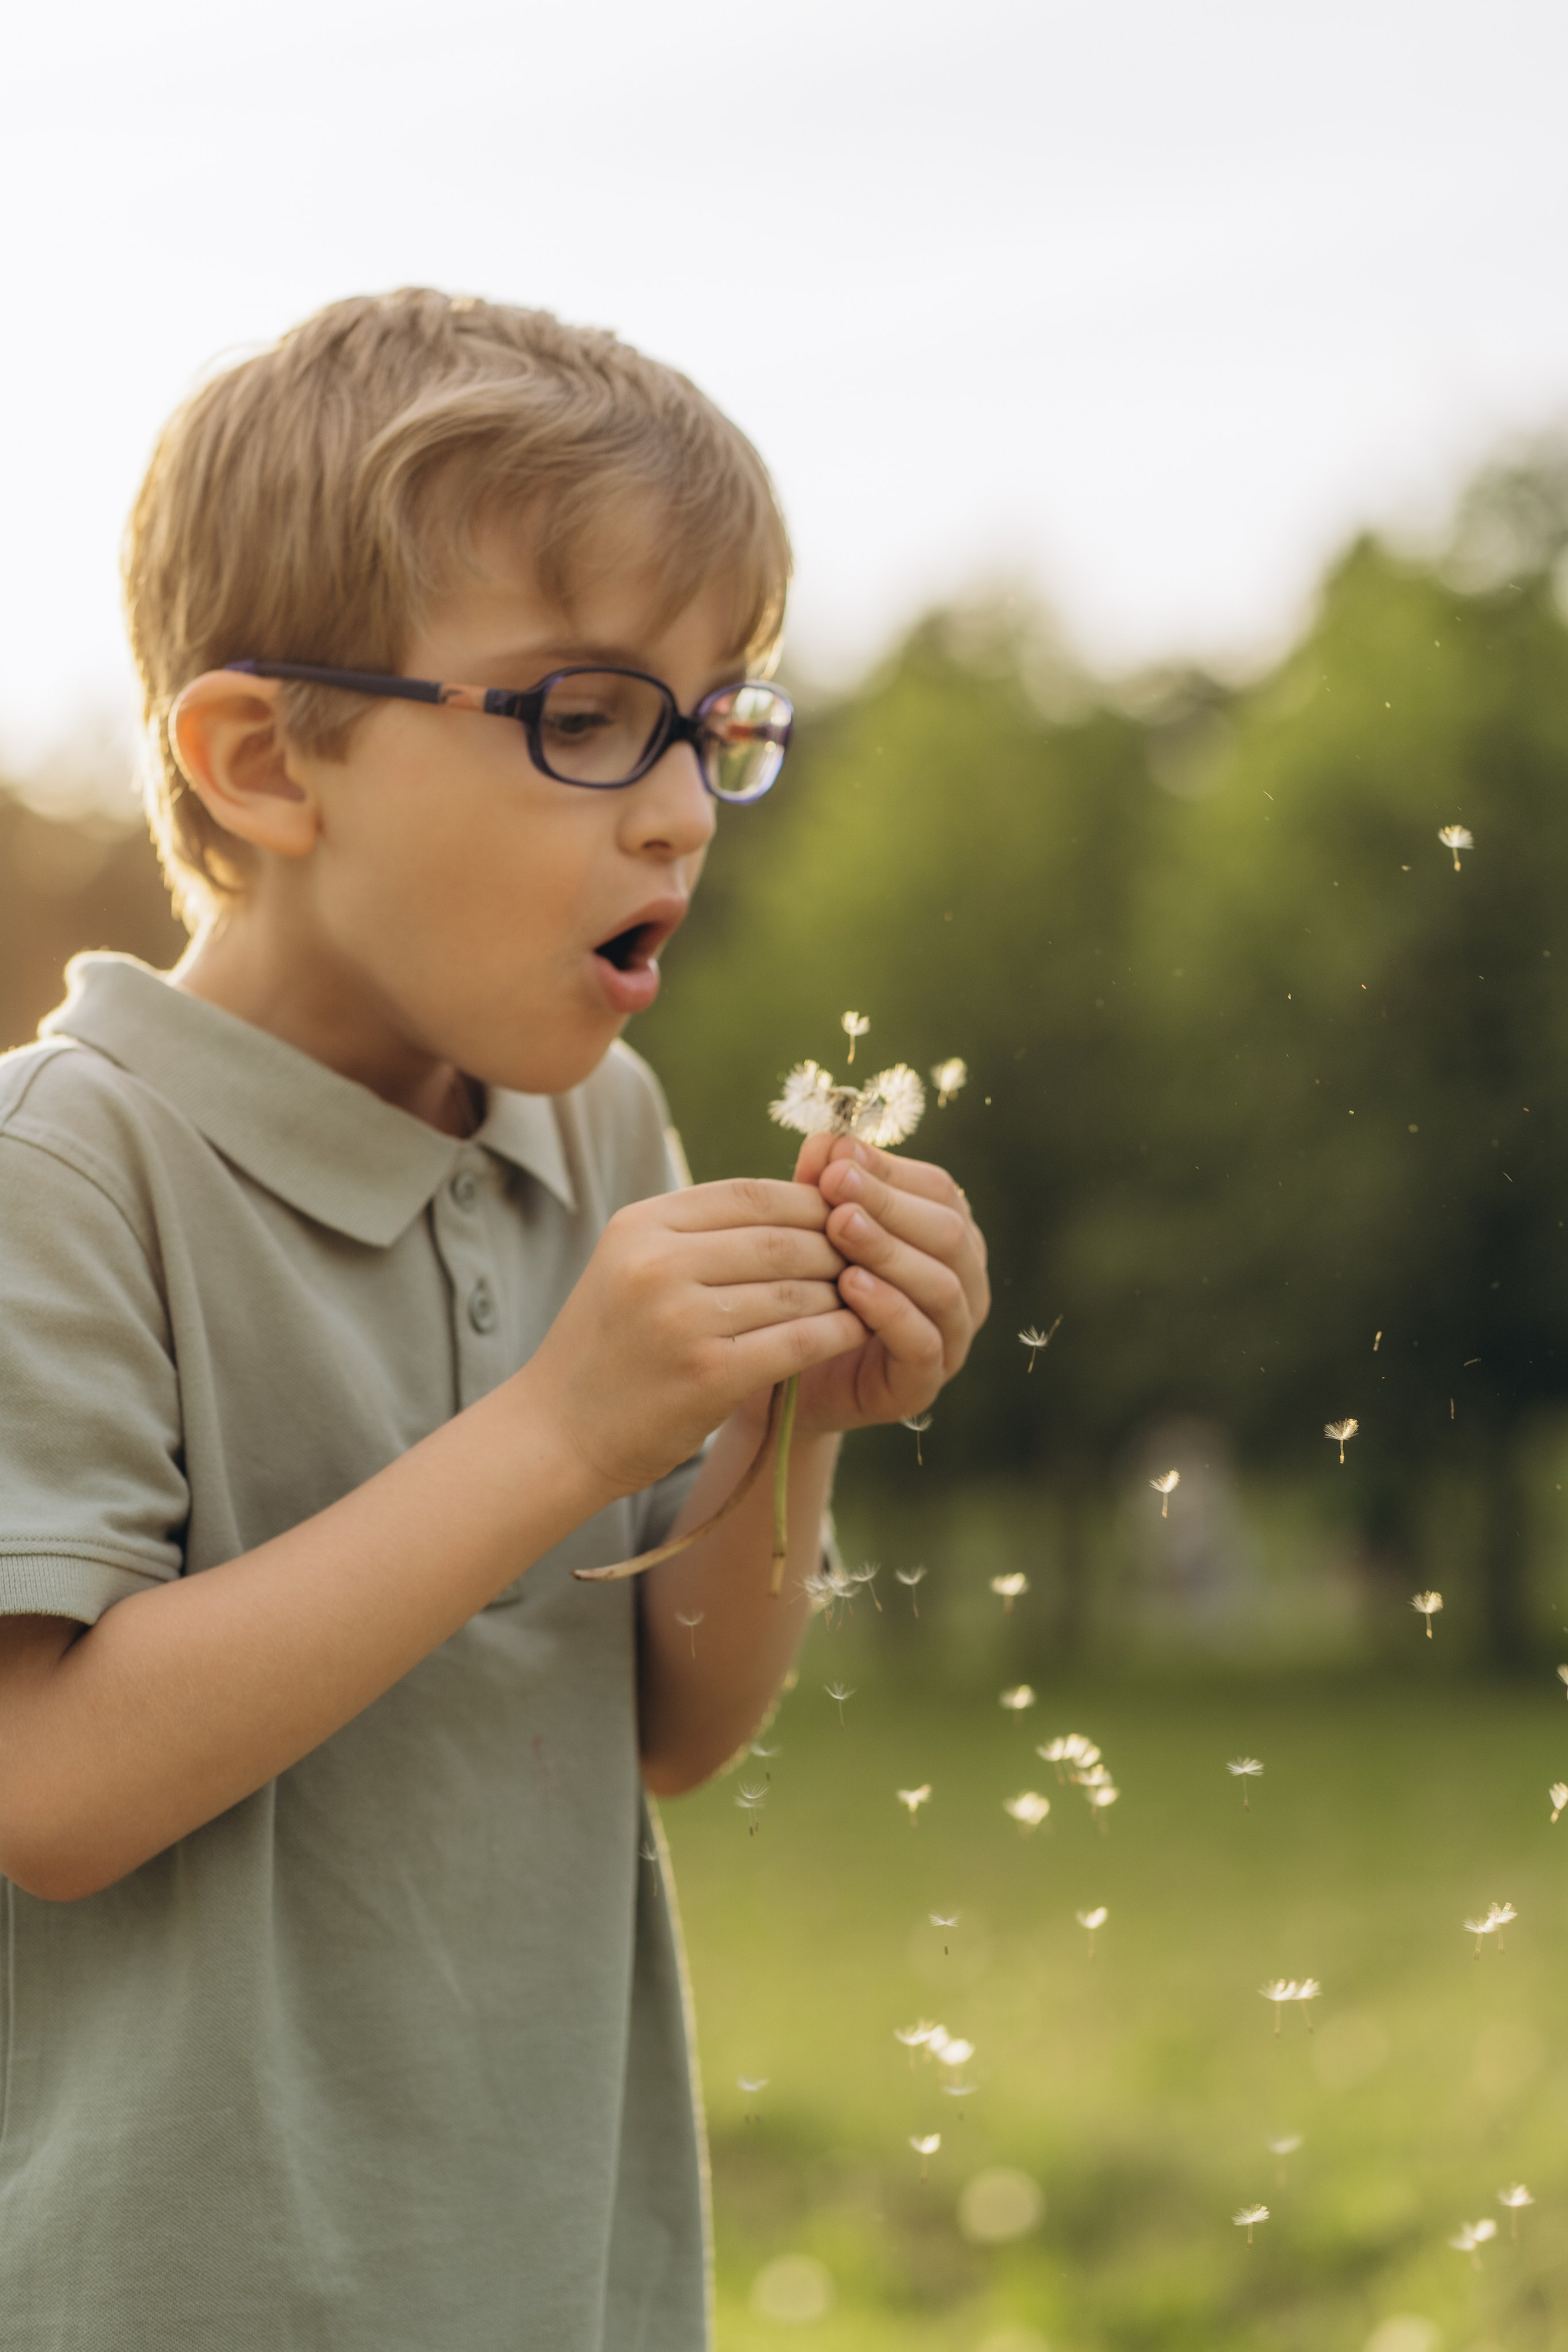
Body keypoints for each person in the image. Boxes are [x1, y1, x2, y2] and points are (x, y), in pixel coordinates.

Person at [0, 288, 989, 2350]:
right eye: (587, 717)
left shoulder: (595, 1125)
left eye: (716, 722)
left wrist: (784, 1430)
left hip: (550, 2280)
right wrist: (558, 1430)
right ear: (269, 760)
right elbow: (54, 1791)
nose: (681, 813)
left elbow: (667, 1730)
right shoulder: (67, 1170)